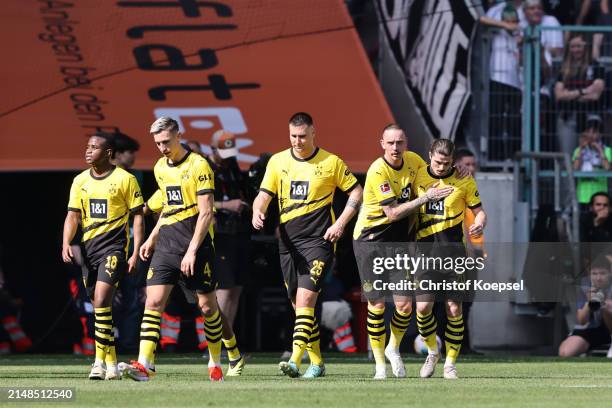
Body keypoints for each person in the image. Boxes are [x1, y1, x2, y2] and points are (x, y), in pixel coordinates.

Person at [119, 117, 244, 382]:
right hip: (166, 245)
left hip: (196, 246)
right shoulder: (160, 168)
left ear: (178, 135)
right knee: (153, 302)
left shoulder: (199, 165)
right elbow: (167, 206)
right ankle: (145, 365)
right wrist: (151, 238)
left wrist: (191, 251)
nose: (162, 147)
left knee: (208, 308)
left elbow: (207, 212)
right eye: (157, 143)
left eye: (166, 141)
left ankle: (215, 360)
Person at [252, 112, 363, 378]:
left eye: (302, 136)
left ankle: (295, 359)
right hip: (288, 244)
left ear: (314, 133)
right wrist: (258, 210)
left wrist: (340, 224)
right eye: (293, 136)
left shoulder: (331, 162)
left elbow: (356, 192)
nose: (298, 141)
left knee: (305, 299)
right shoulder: (278, 161)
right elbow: (264, 195)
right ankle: (317, 362)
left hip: (319, 242)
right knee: (300, 307)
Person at [353, 124, 453, 379]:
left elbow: (435, 173)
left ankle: (393, 348)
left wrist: (457, 170)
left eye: (400, 142)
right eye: (390, 143)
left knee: (405, 305)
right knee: (376, 304)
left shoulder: (413, 161)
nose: (395, 148)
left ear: (406, 142)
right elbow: (393, 212)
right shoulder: (378, 170)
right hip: (371, 240)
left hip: (398, 242)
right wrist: (424, 199)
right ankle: (379, 368)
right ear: (382, 144)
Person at [62, 132, 145, 380]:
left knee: (100, 300)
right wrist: (66, 241)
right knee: (102, 307)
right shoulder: (80, 181)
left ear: (108, 153)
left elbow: (138, 215)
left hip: (115, 248)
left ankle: (98, 362)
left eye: (94, 147)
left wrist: (135, 251)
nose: (88, 151)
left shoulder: (125, 179)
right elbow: (73, 215)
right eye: (87, 146)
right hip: (90, 250)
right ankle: (111, 363)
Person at [413, 139, 487, 380]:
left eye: (446, 163)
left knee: (455, 309)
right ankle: (433, 352)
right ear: (429, 156)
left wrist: (479, 223)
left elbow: (479, 211)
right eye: (437, 162)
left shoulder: (464, 179)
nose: (441, 167)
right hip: (424, 254)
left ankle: (450, 364)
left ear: (453, 162)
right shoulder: (417, 176)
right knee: (423, 307)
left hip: (454, 255)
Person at [209, 130, 251, 333]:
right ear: (212, 149)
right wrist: (226, 205)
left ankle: (229, 339)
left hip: (238, 233)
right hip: (219, 236)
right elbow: (197, 203)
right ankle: (214, 340)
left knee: (236, 289)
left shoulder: (232, 166)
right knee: (224, 288)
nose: (227, 158)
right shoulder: (205, 168)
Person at [480, 1, 523, 160]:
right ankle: (495, 159)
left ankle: (514, 158)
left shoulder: (524, 11)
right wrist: (505, 25)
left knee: (514, 121)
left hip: (517, 78)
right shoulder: (498, 9)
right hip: (497, 74)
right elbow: (482, 20)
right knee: (496, 118)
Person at [554, 33, 605, 157]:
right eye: (572, 47)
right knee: (567, 157)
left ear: (585, 47)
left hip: (590, 118)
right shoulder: (563, 68)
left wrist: (569, 94)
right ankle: (568, 178)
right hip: (567, 118)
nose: (575, 50)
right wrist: (583, 91)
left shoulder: (596, 66)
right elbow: (559, 95)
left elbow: (596, 95)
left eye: (579, 46)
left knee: (590, 157)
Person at [558, 257, 612, 357]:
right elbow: (582, 321)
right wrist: (589, 303)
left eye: (602, 273)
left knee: (608, 307)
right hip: (591, 329)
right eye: (594, 274)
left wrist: (604, 304)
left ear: (610, 273)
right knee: (565, 352)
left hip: (610, 328)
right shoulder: (584, 285)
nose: (598, 278)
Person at [572, 116, 611, 210]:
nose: (590, 135)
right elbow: (575, 168)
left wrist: (600, 150)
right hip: (583, 196)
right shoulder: (577, 150)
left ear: (600, 134)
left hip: (600, 196)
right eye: (588, 131)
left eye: (594, 132)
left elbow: (607, 168)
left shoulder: (607, 150)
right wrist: (581, 149)